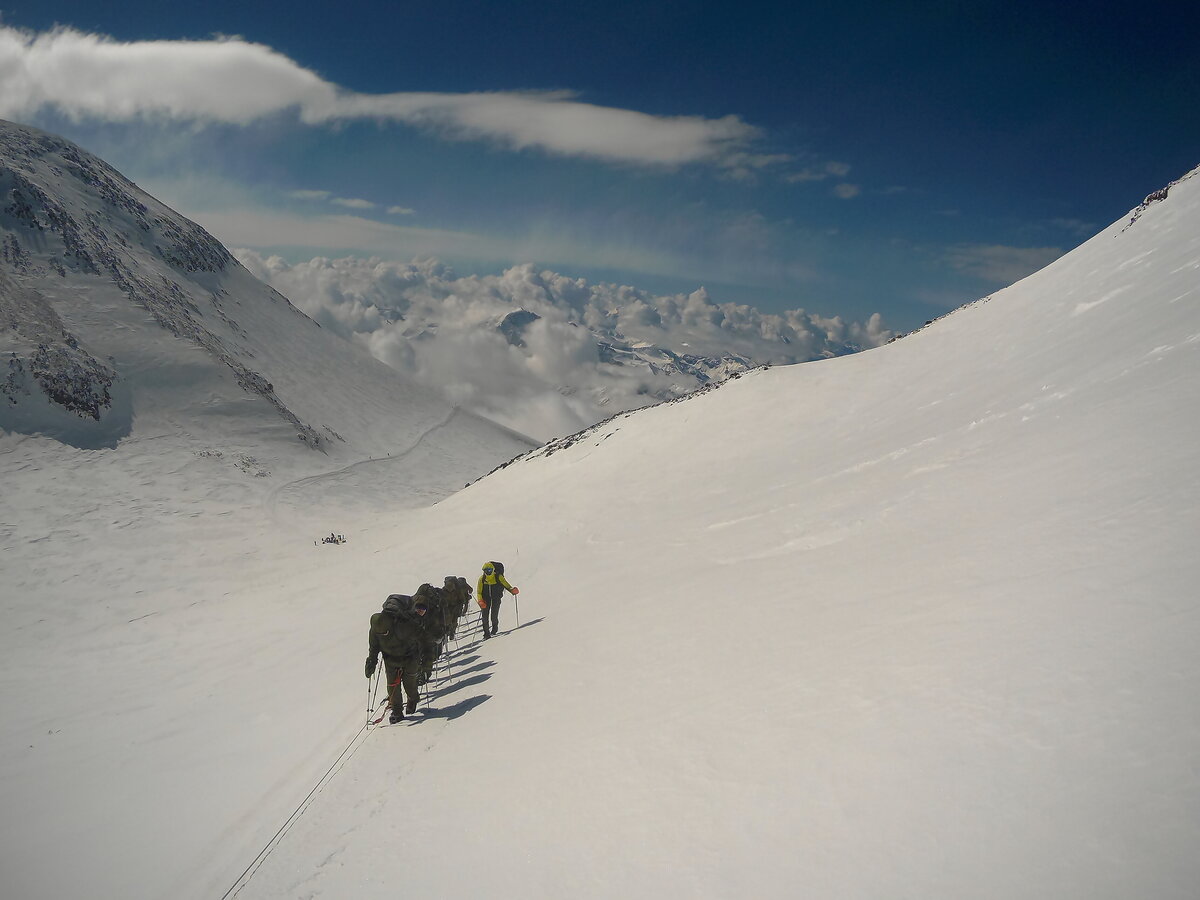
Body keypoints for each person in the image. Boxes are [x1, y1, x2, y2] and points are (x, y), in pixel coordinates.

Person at [365, 594, 430, 722]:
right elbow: (374, 647)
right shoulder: (376, 628)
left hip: (409, 658)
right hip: (390, 659)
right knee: (392, 687)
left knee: (409, 685)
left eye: (385, 633)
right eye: (380, 633)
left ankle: (413, 699)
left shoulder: (404, 625)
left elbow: (421, 639)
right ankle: (397, 711)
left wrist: (425, 657)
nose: (382, 634)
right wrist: (371, 661)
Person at [476, 561, 519, 639]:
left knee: (494, 615)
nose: (487, 572)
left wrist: (512, 590)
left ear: (493, 570)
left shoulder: (498, 577)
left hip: (496, 598)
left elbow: (506, 585)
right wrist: (480, 601)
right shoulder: (482, 579)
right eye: (486, 570)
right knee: (484, 616)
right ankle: (486, 634)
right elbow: (479, 592)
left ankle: (494, 629)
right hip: (485, 600)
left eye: (489, 570)